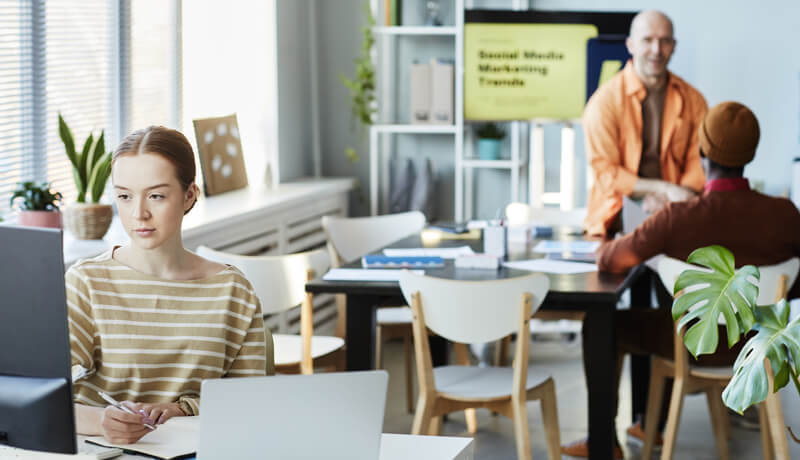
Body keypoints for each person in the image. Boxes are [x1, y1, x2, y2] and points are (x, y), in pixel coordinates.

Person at [563, 101, 800, 458]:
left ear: (703, 150)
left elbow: (611, 259)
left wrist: (654, 234)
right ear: (750, 153)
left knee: (606, 327)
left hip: (691, 346)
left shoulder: (677, 217)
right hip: (757, 347)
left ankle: (604, 442)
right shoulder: (784, 215)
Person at [67, 126, 267, 444]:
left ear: (189, 196)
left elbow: (253, 402)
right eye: (124, 196)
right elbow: (41, 397)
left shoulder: (232, 291)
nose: (139, 213)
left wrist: (184, 410)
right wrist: (101, 421)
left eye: (157, 195)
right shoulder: (87, 282)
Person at [583, 10, 708, 237]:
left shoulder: (694, 101)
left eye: (665, 41)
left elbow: (699, 163)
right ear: (630, 45)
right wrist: (662, 189)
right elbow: (606, 173)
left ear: (674, 45)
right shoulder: (604, 102)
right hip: (616, 215)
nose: (657, 50)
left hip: (677, 209)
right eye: (647, 40)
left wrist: (673, 200)